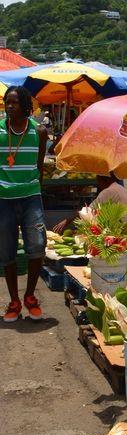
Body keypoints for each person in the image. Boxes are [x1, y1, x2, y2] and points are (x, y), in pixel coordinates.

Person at [1, 86, 48, 322]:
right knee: (6, 251)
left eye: (14, 103)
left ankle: (30, 296)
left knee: (37, 245)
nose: (9, 107)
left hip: (31, 198)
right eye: (7, 103)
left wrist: (33, 187)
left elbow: (40, 166)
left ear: (26, 106)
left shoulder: (39, 132)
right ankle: (14, 301)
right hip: (4, 200)